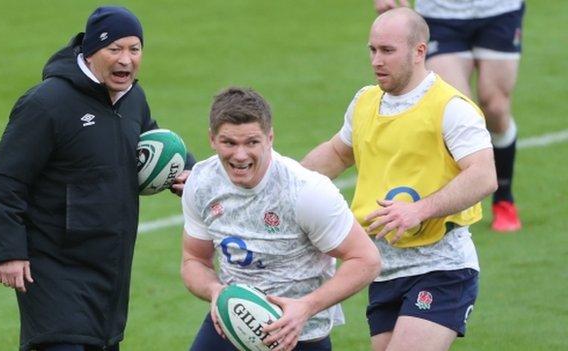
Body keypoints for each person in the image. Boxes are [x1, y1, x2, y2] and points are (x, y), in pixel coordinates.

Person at [0, 6, 194, 351]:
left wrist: (191, 174)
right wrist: (9, 252)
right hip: (53, 267)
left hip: (110, 267)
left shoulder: (132, 100)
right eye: (115, 49)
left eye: (134, 49)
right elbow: (5, 180)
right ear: (90, 51)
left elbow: (156, 142)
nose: (126, 59)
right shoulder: (47, 103)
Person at [301, 8, 497, 351]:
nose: (377, 60)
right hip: (383, 268)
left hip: (441, 267)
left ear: (419, 51)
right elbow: (336, 153)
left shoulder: (451, 107)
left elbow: (483, 175)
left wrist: (419, 210)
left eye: (387, 51)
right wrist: (284, 185)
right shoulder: (365, 102)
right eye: (373, 50)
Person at [180, 87, 381, 351]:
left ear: (270, 138)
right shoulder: (202, 182)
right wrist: (215, 292)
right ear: (212, 139)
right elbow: (194, 259)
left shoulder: (305, 191)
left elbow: (366, 260)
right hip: (232, 327)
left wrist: (306, 307)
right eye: (229, 143)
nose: (240, 155)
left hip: (298, 335)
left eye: (252, 142)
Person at [373, 0, 525, 232]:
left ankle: (503, 197)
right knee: (456, 106)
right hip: (440, 13)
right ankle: (453, 207)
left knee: (495, 107)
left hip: (499, 10)